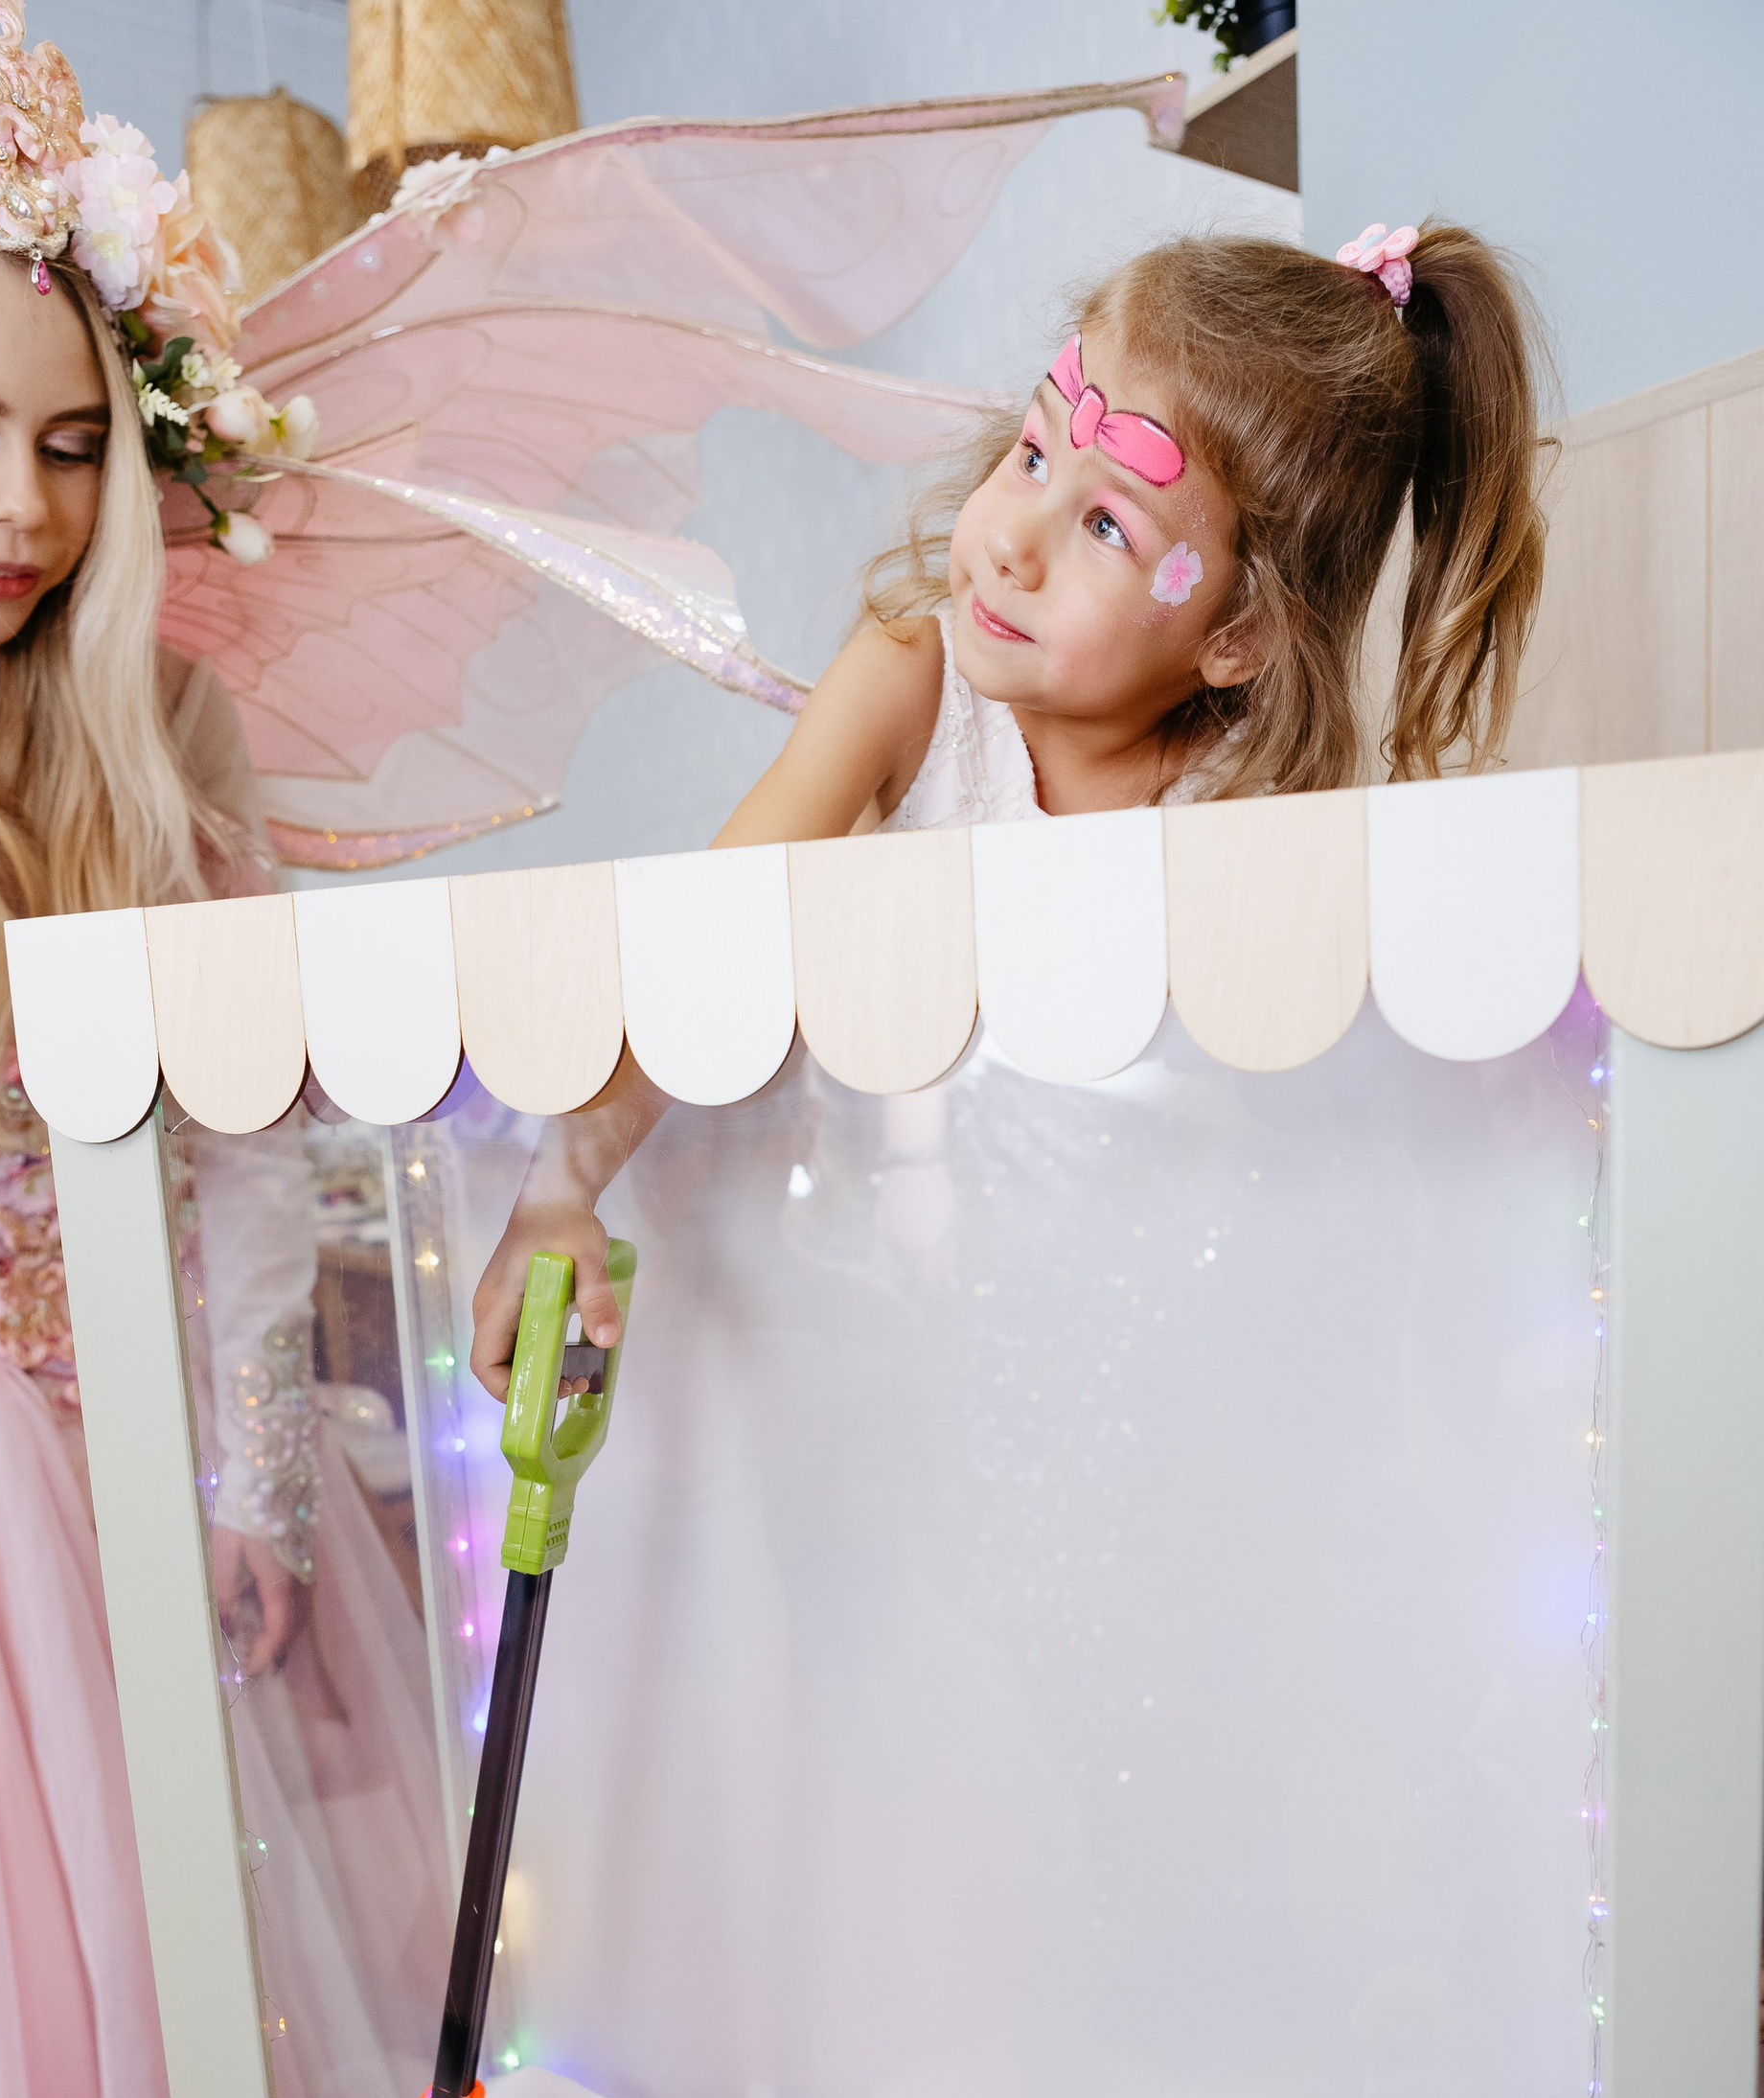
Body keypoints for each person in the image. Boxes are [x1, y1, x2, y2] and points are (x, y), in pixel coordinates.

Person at [0, 21, 445, 2098]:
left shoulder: (144, 732)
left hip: (98, 1492)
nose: (16, 510)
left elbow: (247, 1155)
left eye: (66, 446)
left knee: (146, 2077)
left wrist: (242, 1475)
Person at [470, 219, 1550, 1399]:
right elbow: (699, 948)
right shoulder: (907, 685)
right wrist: (559, 1192)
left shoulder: (1247, 814)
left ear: (1238, 632)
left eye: (1106, 527)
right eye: (1035, 455)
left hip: (1151, 1354)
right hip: (891, 1320)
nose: (1014, 545)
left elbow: (1320, 1152)